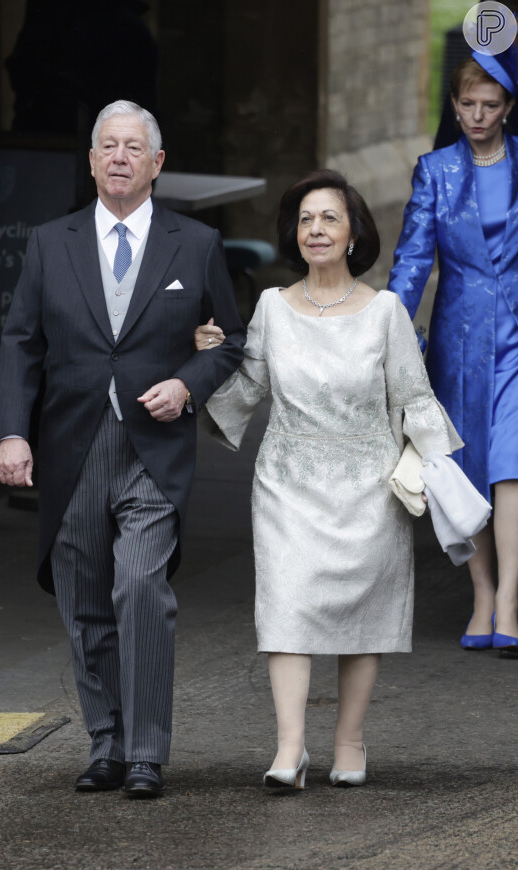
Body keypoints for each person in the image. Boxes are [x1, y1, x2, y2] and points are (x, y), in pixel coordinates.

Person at [0, 100, 246, 797]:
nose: (120, 157)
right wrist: (13, 431)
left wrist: (187, 384)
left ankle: (146, 752)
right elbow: (21, 343)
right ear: (92, 160)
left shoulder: (193, 244)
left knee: (140, 586)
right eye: (108, 146)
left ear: (157, 163)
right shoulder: (51, 241)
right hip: (72, 446)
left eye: (134, 147)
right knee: (85, 604)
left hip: (153, 449)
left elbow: (231, 339)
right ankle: (105, 744)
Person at [194, 169, 461, 788]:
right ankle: (289, 749)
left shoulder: (387, 311)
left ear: (354, 234)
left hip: (370, 487)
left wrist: (435, 473)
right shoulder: (269, 308)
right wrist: (205, 364)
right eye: (306, 219)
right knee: (286, 607)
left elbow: (414, 398)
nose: (315, 229)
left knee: (361, 614)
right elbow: (245, 393)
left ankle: (351, 741)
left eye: (330, 218)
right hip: (288, 483)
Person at [388, 51, 518, 657]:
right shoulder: (434, 170)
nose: (477, 116)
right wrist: (386, 327)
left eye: (490, 105)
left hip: (517, 337)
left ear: (509, 108)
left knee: (509, 465)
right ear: (455, 104)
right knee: (466, 470)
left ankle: (510, 600)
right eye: (467, 104)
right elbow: (415, 259)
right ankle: (483, 593)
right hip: (462, 337)